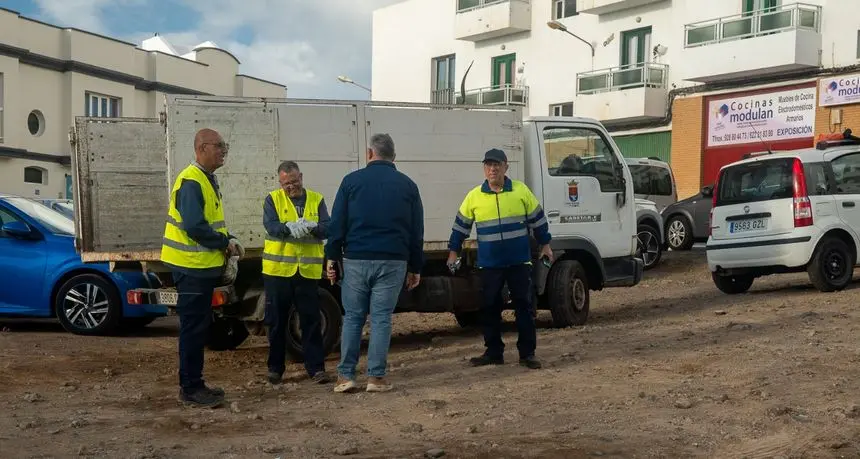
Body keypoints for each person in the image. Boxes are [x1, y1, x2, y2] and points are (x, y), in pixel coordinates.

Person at [325, 133, 424, 393]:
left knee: (353, 318)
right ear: (394, 156)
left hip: (356, 259)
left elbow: (337, 224)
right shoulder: (408, 186)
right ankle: (375, 378)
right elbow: (416, 231)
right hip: (393, 261)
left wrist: (332, 257)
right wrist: (415, 267)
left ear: (370, 154)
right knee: (381, 319)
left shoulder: (351, 182)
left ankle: (345, 376)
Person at [446, 148, 552, 370]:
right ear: (484, 169)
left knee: (524, 306)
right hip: (490, 265)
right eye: (488, 165)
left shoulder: (521, 191)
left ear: (506, 167)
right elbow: (460, 227)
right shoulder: (474, 196)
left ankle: (527, 354)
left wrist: (546, 244)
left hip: (519, 262)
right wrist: (453, 251)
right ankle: (494, 352)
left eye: (497, 164)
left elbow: (538, 221)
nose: (492, 169)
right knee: (489, 307)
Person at [161, 128, 244, 408]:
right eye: (219, 146)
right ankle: (190, 388)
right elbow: (195, 227)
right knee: (193, 330)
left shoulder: (205, 179)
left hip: (199, 268)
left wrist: (227, 239)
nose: (223, 151)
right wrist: (224, 243)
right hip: (192, 268)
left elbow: (208, 222)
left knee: (198, 329)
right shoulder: (192, 180)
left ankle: (195, 384)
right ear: (201, 148)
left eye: (225, 146)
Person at [261, 160, 333, 385]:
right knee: (276, 321)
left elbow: (328, 227)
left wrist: (313, 227)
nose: (290, 187)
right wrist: (287, 228)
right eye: (285, 184)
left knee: (310, 320)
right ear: (280, 182)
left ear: (301, 177)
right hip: (279, 271)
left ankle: (316, 369)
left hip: (307, 272)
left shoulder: (316, 199)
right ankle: (275, 369)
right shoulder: (272, 199)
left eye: (293, 182)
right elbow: (271, 226)